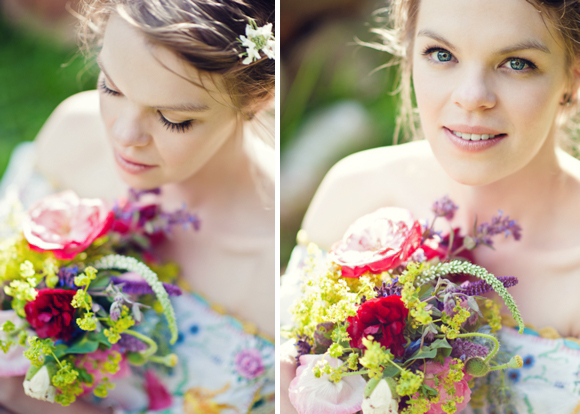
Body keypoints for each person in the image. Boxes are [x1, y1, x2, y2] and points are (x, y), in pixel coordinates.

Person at [280, 0, 580, 412]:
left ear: (572, 78)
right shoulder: (355, 195)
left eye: (516, 63)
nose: (472, 97)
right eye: (442, 55)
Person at [0, 0, 275, 413]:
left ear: (260, 96)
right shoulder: (75, 135)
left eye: (172, 119)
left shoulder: (268, 270)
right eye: (111, 87)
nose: (124, 134)